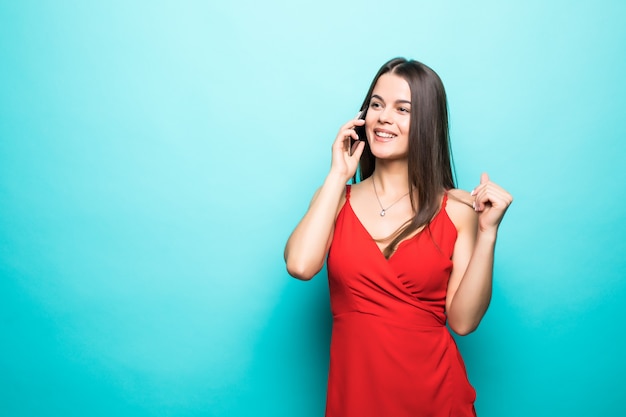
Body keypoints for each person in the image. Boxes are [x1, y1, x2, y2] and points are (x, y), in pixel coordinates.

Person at [284, 57, 513, 417]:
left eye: (402, 109)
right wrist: (336, 175)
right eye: (376, 104)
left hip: (436, 396)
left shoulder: (456, 210)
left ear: (427, 123)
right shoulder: (335, 199)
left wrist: (488, 233)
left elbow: (463, 322)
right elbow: (299, 265)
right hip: (356, 397)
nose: (383, 117)